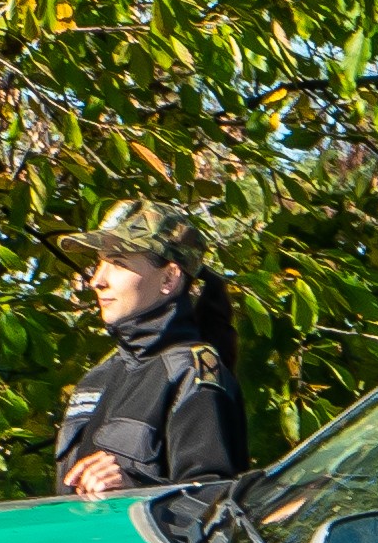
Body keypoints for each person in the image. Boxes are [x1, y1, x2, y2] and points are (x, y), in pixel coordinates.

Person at [50, 200, 250, 496]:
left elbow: (214, 504)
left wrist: (133, 490)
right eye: (99, 263)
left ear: (168, 278)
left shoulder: (193, 373)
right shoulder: (97, 378)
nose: (97, 280)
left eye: (118, 263)